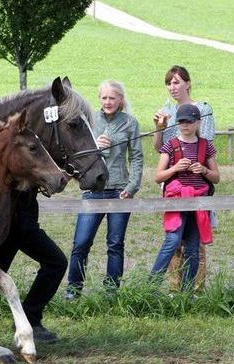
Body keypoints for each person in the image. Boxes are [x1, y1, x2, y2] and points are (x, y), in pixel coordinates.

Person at [65, 80, 143, 298]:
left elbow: (136, 157)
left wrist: (132, 186)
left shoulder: (130, 123)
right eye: (104, 98)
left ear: (120, 100)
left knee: (115, 244)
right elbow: (76, 153)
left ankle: (111, 292)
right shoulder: (89, 121)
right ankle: (73, 290)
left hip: (119, 191)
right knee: (81, 243)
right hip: (93, 190)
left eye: (112, 98)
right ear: (99, 99)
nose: (108, 102)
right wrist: (96, 148)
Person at [152, 65, 216, 291]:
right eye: (169, 83)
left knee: (195, 244)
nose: (172, 87)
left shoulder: (203, 109)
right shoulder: (167, 110)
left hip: (198, 185)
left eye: (177, 82)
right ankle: (174, 288)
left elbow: (205, 144)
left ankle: (196, 290)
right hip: (173, 185)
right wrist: (159, 128)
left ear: (188, 83)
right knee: (174, 242)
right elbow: (161, 148)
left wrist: (200, 167)